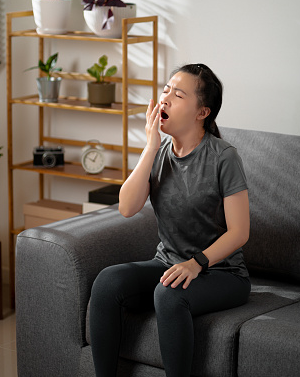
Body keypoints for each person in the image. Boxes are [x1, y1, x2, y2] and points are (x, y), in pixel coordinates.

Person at [89, 63, 250, 377]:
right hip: (168, 263)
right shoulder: (160, 152)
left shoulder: (223, 157)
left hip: (223, 273)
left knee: (169, 293)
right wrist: (150, 147)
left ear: (201, 112)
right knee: (107, 283)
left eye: (177, 95)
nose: (165, 100)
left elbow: (240, 232)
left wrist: (195, 263)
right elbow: (126, 207)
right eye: (165, 91)